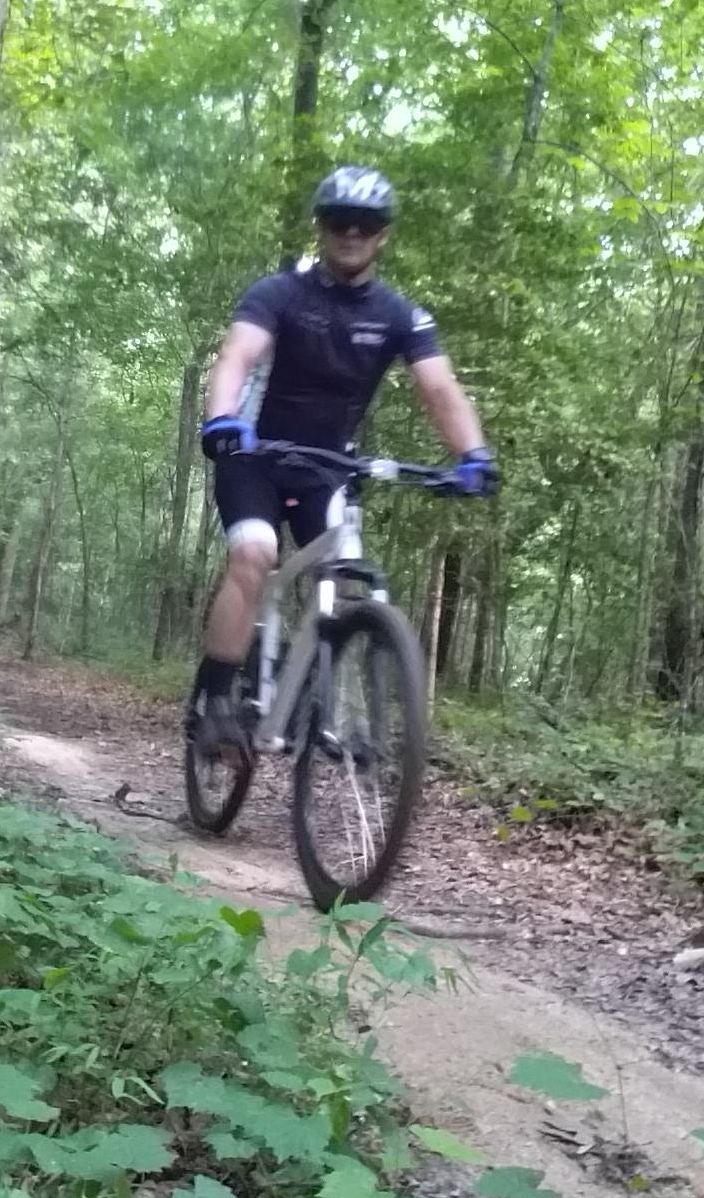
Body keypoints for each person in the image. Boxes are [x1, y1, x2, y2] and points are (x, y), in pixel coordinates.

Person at [189, 165, 498, 761]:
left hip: (329, 466)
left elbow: (438, 388)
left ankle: (324, 700)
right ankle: (217, 700)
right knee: (255, 555)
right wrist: (222, 419)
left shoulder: (398, 314)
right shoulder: (278, 293)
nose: (351, 233)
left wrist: (472, 455)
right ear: (321, 228)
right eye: (339, 222)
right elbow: (237, 355)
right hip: (252, 453)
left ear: (383, 235)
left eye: (367, 224)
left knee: (345, 569)